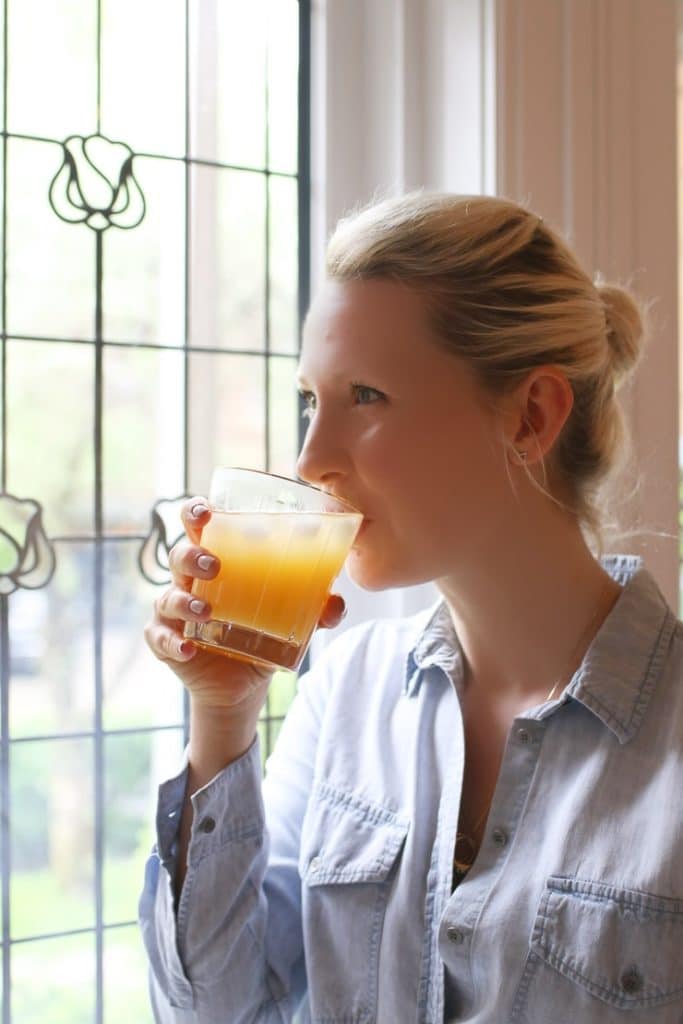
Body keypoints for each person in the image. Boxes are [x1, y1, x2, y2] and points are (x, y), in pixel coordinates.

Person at [139, 192, 683, 1023]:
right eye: (309, 402)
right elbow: (219, 1011)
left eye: (365, 396)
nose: (310, 460)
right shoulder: (342, 694)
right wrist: (221, 719)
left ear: (530, 417)